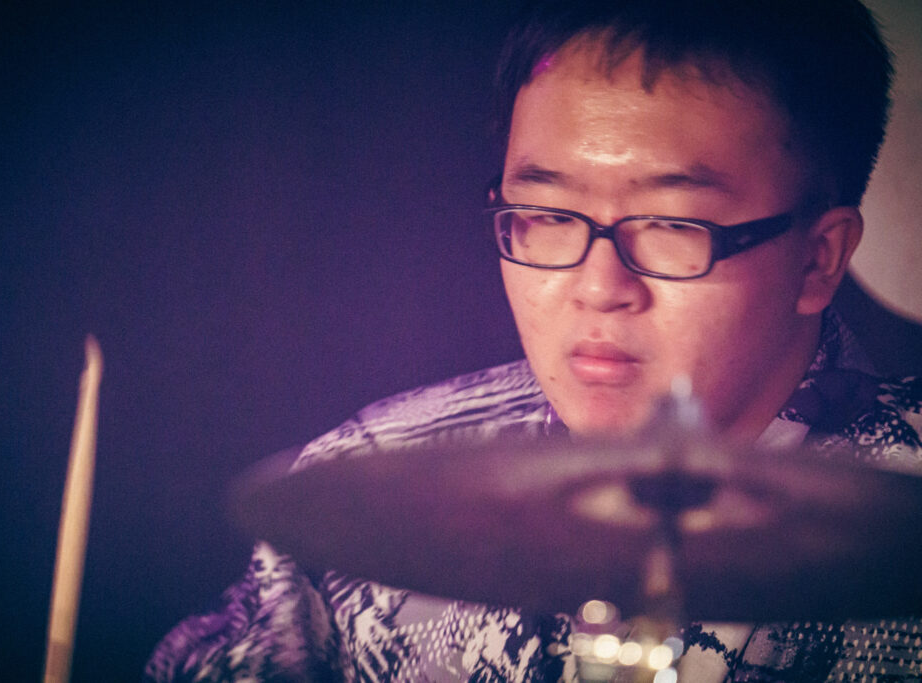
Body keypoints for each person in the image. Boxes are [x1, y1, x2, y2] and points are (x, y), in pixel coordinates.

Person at [145, 0, 922, 680]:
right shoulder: (366, 487)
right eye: (548, 215)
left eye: (672, 224)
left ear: (819, 259)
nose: (598, 285)